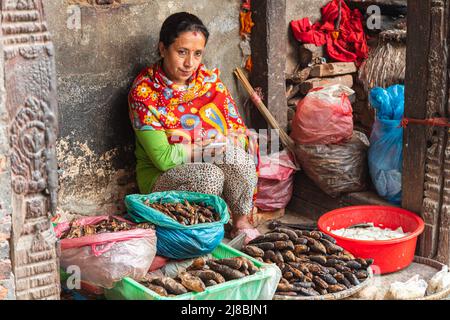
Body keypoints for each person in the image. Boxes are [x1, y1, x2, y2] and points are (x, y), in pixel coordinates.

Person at [128, 12, 261, 244]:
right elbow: (163, 159)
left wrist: (222, 142)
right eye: (181, 52)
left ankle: (240, 222)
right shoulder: (144, 94)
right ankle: (198, 233)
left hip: (207, 155)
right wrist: (204, 147)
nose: (190, 63)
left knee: (239, 159)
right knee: (209, 175)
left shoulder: (210, 83)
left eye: (197, 54)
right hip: (163, 178)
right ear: (162, 48)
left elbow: (239, 137)